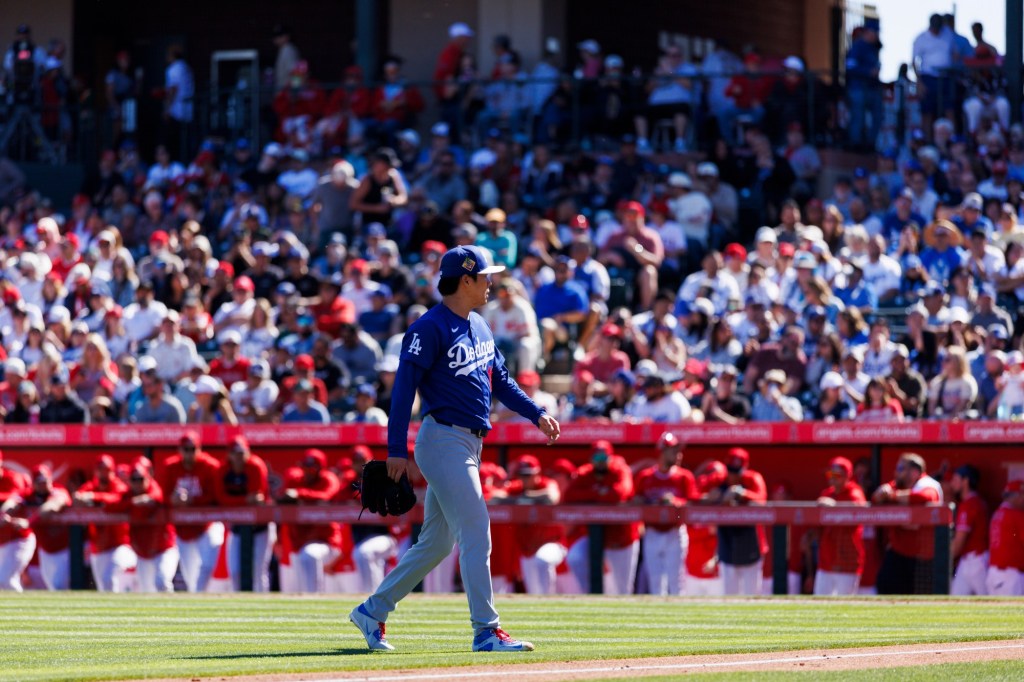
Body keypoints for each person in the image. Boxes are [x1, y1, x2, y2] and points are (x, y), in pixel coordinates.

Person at [349, 244, 559, 653]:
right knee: (476, 528)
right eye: (485, 276)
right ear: (465, 280)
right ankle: (486, 630)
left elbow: (501, 380)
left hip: (467, 442)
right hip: (443, 439)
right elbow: (402, 392)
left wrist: (535, 413)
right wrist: (396, 449)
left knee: (437, 543)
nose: (491, 283)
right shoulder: (428, 327)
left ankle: (372, 611)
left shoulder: (479, 324)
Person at [564, 441, 640, 595]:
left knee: (622, 589)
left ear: (610, 457)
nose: (600, 461)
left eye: (603, 457)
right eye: (596, 457)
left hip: (622, 537)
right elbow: (569, 495)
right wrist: (600, 493)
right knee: (575, 557)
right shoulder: (585, 473)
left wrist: (591, 494)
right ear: (591, 458)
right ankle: (589, 597)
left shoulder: (620, 470)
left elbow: (620, 494)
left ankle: (624, 616)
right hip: (595, 536)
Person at [489, 454, 565, 595]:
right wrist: (519, 498)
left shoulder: (546, 483)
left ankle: (550, 601)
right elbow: (494, 497)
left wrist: (526, 498)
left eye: (529, 475)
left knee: (543, 560)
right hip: (527, 549)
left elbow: (552, 497)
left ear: (537, 473)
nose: (526, 479)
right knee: (533, 592)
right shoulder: (517, 488)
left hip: (552, 542)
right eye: (523, 475)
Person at [159, 431, 224, 593]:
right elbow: (162, 496)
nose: (189, 453)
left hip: (206, 525)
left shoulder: (210, 466)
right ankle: (199, 602)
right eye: (185, 449)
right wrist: (172, 499)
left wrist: (192, 501)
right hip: (184, 529)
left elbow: (216, 496)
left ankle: (201, 597)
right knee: (190, 577)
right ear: (179, 450)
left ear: (199, 449)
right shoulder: (170, 466)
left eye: (192, 449)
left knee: (208, 565)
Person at [633, 432, 696, 595]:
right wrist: (647, 502)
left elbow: (693, 504)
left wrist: (675, 502)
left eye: (678, 451)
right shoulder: (645, 476)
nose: (678, 455)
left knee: (676, 582)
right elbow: (634, 501)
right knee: (655, 582)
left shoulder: (684, 477)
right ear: (661, 452)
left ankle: (679, 617)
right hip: (652, 531)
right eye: (673, 451)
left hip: (675, 531)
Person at [872, 453, 943, 594]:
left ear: (914, 472)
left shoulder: (928, 484)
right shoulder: (898, 484)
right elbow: (876, 498)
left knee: (920, 598)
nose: (896, 472)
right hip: (899, 552)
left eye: (900, 468)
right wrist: (882, 493)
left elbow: (925, 497)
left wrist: (892, 496)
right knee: (884, 586)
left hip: (922, 557)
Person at [107, 461, 178, 593]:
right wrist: (133, 502)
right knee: (146, 591)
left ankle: (171, 612)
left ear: (148, 478)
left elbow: (156, 497)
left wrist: (139, 503)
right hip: (143, 552)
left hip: (163, 548)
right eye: (134, 479)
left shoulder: (154, 488)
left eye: (140, 479)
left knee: (162, 583)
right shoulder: (128, 494)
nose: (137, 483)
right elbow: (110, 506)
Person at [216, 435, 275, 592]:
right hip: (236, 527)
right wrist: (243, 500)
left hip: (260, 527)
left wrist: (235, 501)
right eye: (235, 453)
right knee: (235, 572)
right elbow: (221, 498)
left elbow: (256, 498)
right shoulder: (223, 469)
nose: (238, 457)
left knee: (257, 571)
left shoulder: (255, 466)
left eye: (241, 453)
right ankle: (238, 608)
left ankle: (264, 610)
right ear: (229, 454)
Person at [706, 447, 767, 595]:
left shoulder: (752, 478)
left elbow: (762, 500)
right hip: (727, 543)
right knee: (729, 597)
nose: (733, 476)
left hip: (751, 542)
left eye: (737, 471)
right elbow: (694, 493)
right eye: (731, 471)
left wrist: (741, 493)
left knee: (752, 597)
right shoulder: (719, 479)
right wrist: (710, 497)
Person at [73, 454, 136, 592]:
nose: (103, 472)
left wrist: (94, 498)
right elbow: (77, 497)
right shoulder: (91, 486)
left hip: (120, 544)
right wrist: (84, 499)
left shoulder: (117, 485)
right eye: (100, 469)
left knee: (111, 577)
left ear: (112, 470)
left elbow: (118, 498)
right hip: (98, 546)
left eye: (106, 469)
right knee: (104, 587)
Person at [281, 449, 342, 593]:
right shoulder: (297, 480)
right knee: (296, 586)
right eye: (305, 467)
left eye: (312, 468)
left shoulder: (328, 479)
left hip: (326, 541)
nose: (308, 471)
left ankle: (315, 599)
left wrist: (299, 494)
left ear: (321, 468)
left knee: (310, 555)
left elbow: (325, 496)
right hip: (300, 541)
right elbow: (282, 497)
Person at [812, 457, 867, 595]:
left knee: (845, 606)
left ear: (847, 476)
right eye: (830, 474)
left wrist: (836, 507)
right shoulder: (827, 494)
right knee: (819, 604)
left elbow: (860, 509)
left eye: (836, 475)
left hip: (847, 560)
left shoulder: (854, 492)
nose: (832, 478)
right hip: (826, 561)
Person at [950, 465, 989, 596]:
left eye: (955, 479)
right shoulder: (970, 502)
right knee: (955, 600)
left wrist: (944, 558)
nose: (952, 483)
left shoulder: (971, 503)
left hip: (978, 560)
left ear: (965, 481)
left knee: (988, 603)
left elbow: (959, 540)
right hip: (966, 560)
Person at [0, 452, 32, 591]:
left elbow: (14, 499)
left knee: (5, 580)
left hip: (18, 539)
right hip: (2, 541)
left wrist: (3, 511)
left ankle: (23, 612)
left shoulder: (13, 478)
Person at [987, 480, 1024, 596]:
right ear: (1018, 496)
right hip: (1010, 576)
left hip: (994, 573)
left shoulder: (997, 513)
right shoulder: (1015, 515)